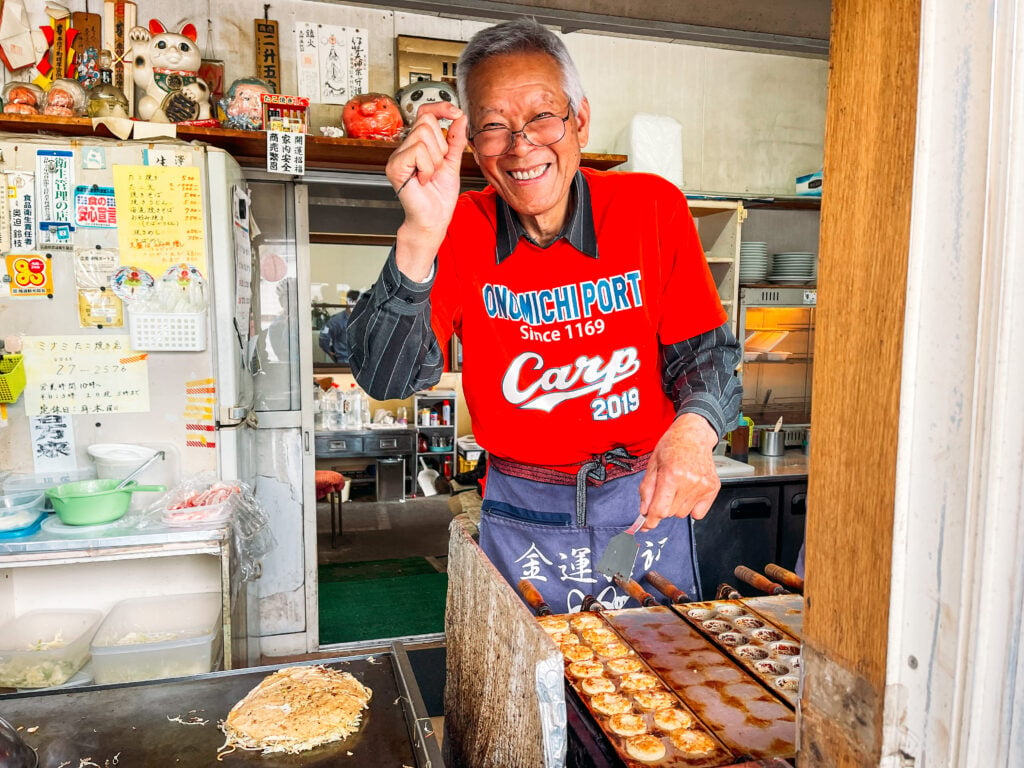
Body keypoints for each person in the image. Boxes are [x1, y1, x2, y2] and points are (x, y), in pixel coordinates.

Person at [348, 18, 741, 613]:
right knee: (525, 688)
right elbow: (387, 378)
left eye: (541, 117)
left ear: (579, 119)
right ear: (472, 144)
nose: (521, 144)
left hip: (636, 507)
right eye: (494, 127)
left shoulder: (650, 208)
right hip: (524, 509)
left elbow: (706, 358)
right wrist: (419, 234)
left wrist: (693, 432)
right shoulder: (456, 228)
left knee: (646, 672)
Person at [318, 289, 362, 364]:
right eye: (353, 302)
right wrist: (330, 353)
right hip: (344, 363)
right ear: (347, 302)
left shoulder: (363, 318)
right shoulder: (336, 321)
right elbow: (323, 337)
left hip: (361, 363)